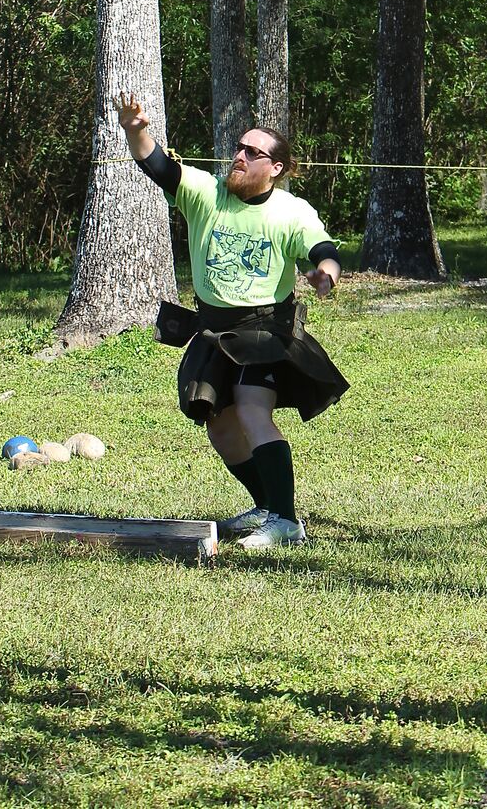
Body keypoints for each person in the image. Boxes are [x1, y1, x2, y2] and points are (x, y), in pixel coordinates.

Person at [115, 92, 349, 550]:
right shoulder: (207, 193)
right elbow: (159, 166)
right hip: (214, 328)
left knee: (251, 410)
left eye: (252, 152)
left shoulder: (291, 211)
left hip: (264, 329)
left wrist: (327, 274)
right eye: (238, 148)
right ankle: (269, 506)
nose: (239, 157)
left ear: (275, 168)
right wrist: (135, 129)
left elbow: (324, 251)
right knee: (220, 426)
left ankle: (285, 522)